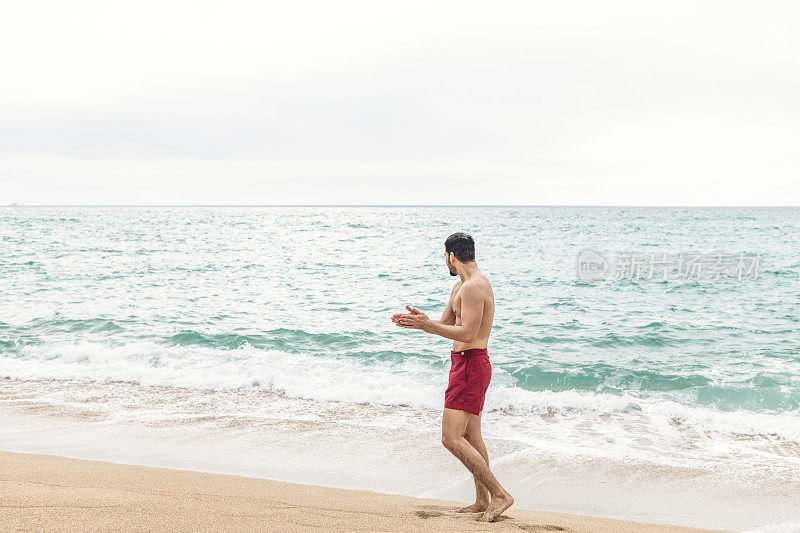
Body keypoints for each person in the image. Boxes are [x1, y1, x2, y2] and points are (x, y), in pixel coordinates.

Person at [391, 232, 514, 522]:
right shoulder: (460, 285)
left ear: (451, 256)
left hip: (471, 365)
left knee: (450, 438)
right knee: (471, 435)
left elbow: (468, 333)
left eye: (444, 256)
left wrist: (426, 327)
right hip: (463, 364)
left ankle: (500, 495)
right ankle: (483, 500)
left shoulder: (473, 287)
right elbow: (446, 323)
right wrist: (421, 322)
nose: (444, 261)